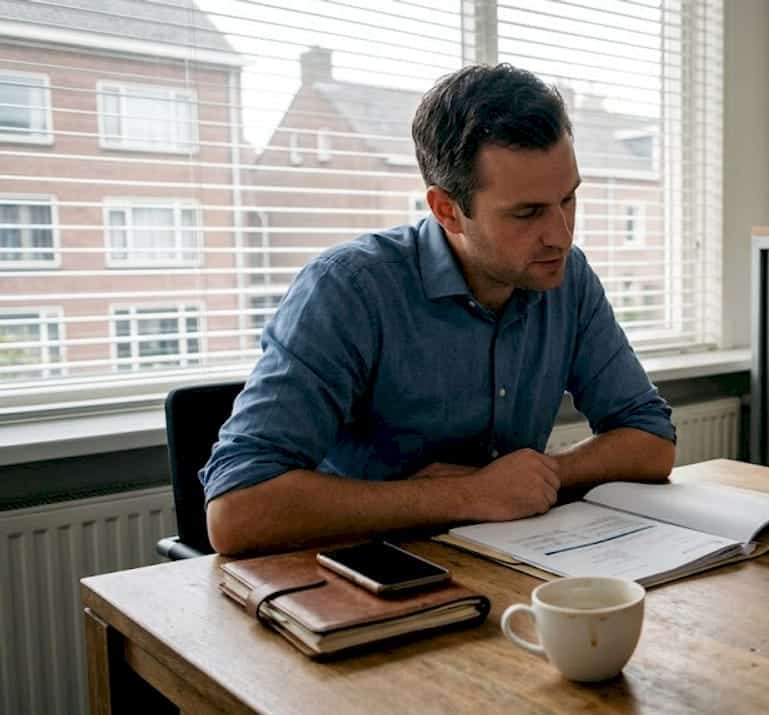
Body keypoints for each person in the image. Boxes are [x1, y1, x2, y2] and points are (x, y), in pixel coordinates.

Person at [200, 64, 676, 555]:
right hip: (367, 575)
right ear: (447, 210)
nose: (561, 235)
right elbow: (236, 512)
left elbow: (651, 440)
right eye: (528, 212)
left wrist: (541, 475)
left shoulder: (567, 277)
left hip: (513, 563)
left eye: (568, 199)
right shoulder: (349, 289)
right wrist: (467, 494)